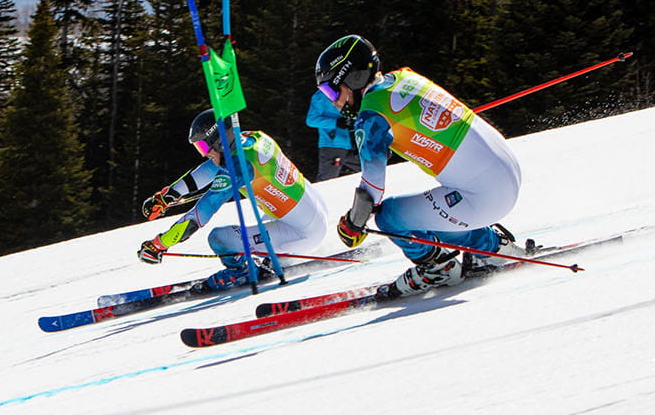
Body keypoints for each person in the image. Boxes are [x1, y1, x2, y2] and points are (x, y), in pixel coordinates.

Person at [314, 34, 527, 295]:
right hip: (506, 173)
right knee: (432, 213)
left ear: (353, 78)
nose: (334, 102)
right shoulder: (404, 77)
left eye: (332, 91)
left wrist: (353, 223)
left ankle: (438, 269)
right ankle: (491, 247)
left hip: (486, 197)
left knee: (389, 216)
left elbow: (372, 189)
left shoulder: (370, 117)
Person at [137, 110, 333, 290]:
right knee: (252, 229)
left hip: (302, 233)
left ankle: (242, 273)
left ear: (220, 141)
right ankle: (272, 259)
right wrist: (168, 196)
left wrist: (160, 244)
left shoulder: (240, 166)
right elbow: (208, 170)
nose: (204, 152)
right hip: (311, 211)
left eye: (204, 145)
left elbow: (201, 212)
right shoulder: (251, 138)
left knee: (220, 239)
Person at [306, 87, 360, 180]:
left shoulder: (351, 91)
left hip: (354, 142)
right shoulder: (321, 95)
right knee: (327, 179)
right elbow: (311, 120)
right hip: (332, 144)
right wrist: (336, 122)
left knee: (371, 170)